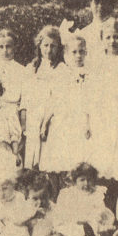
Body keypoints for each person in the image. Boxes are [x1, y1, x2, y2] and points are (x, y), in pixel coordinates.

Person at [39, 34, 91, 199]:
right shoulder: (61, 72)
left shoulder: (91, 74)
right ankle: (57, 200)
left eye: (81, 52)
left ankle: (74, 202)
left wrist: (89, 124)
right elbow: (54, 100)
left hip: (79, 123)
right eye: (74, 52)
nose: (77, 56)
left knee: (75, 165)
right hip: (61, 123)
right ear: (66, 54)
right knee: (56, 165)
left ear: (86, 53)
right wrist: (45, 123)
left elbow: (91, 103)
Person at [39, 163, 115, 236]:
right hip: (69, 223)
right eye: (82, 180)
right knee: (63, 235)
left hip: (87, 226)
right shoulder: (66, 194)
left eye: (89, 179)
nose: (86, 183)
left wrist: (98, 219)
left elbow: (101, 213)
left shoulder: (96, 194)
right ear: (75, 180)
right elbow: (60, 213)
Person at [20, 25, 64, 169]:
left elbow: (57, 100)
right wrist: (23, 122)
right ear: (39, 46)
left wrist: (45, 123)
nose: (49, 50)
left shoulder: (61, 69)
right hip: (33, 117)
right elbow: (25, 98)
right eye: (45, 45)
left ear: (59, 48)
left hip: (51, 119)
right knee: (31, 159)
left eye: (53, 46)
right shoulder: (32, 68)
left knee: (47, 161)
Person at [80, 0, 117, 70]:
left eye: (105, 1)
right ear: (90, 3)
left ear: (112, 4)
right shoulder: (82, 34)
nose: (101, 6)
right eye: (96, 1)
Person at [0, 29, 26, 110]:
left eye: (8, 46)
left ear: (15, 47)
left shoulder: (21, 70)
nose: (5, 50)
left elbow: (25, 98)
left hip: (12, 109)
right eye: (1, 47)